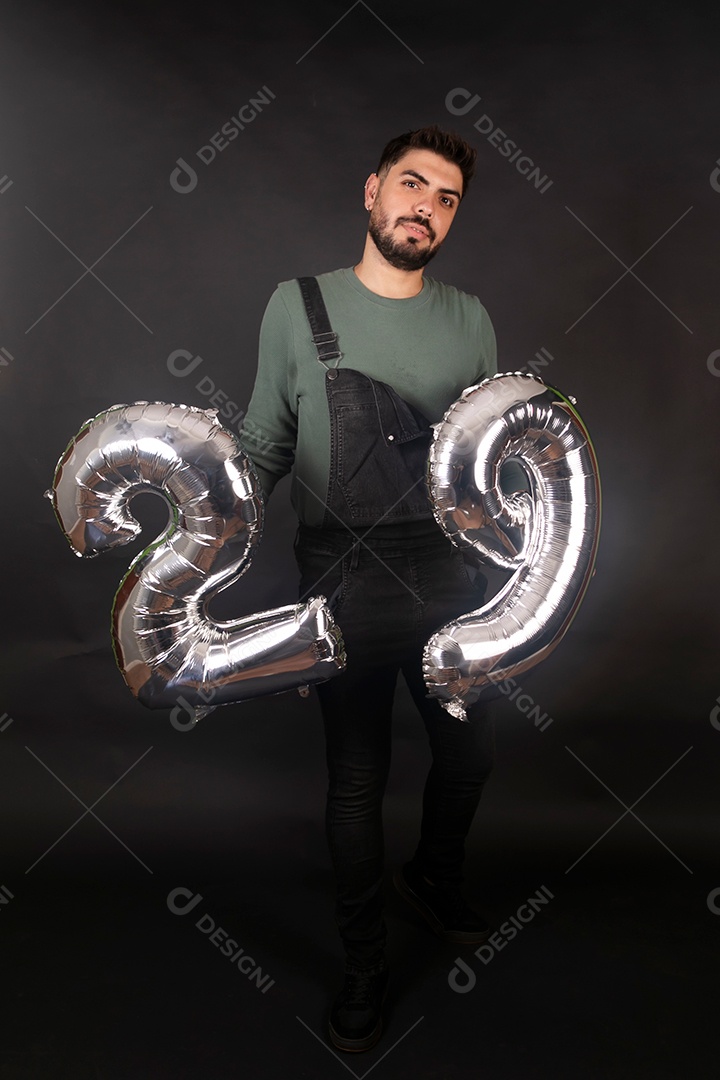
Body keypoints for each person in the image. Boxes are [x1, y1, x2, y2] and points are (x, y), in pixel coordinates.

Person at [241, 125, 516, 1053]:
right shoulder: (297, 305)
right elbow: (265, 446)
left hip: (452, 576)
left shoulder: (470, 318)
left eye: (445, 199)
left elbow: (488, 461)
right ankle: (364, 966)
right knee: (357, 780)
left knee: (469, 760)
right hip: (343, 576)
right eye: (411, 186)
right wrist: (203, 532)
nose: (425, 209)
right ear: (370, 193)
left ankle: (433, 877)